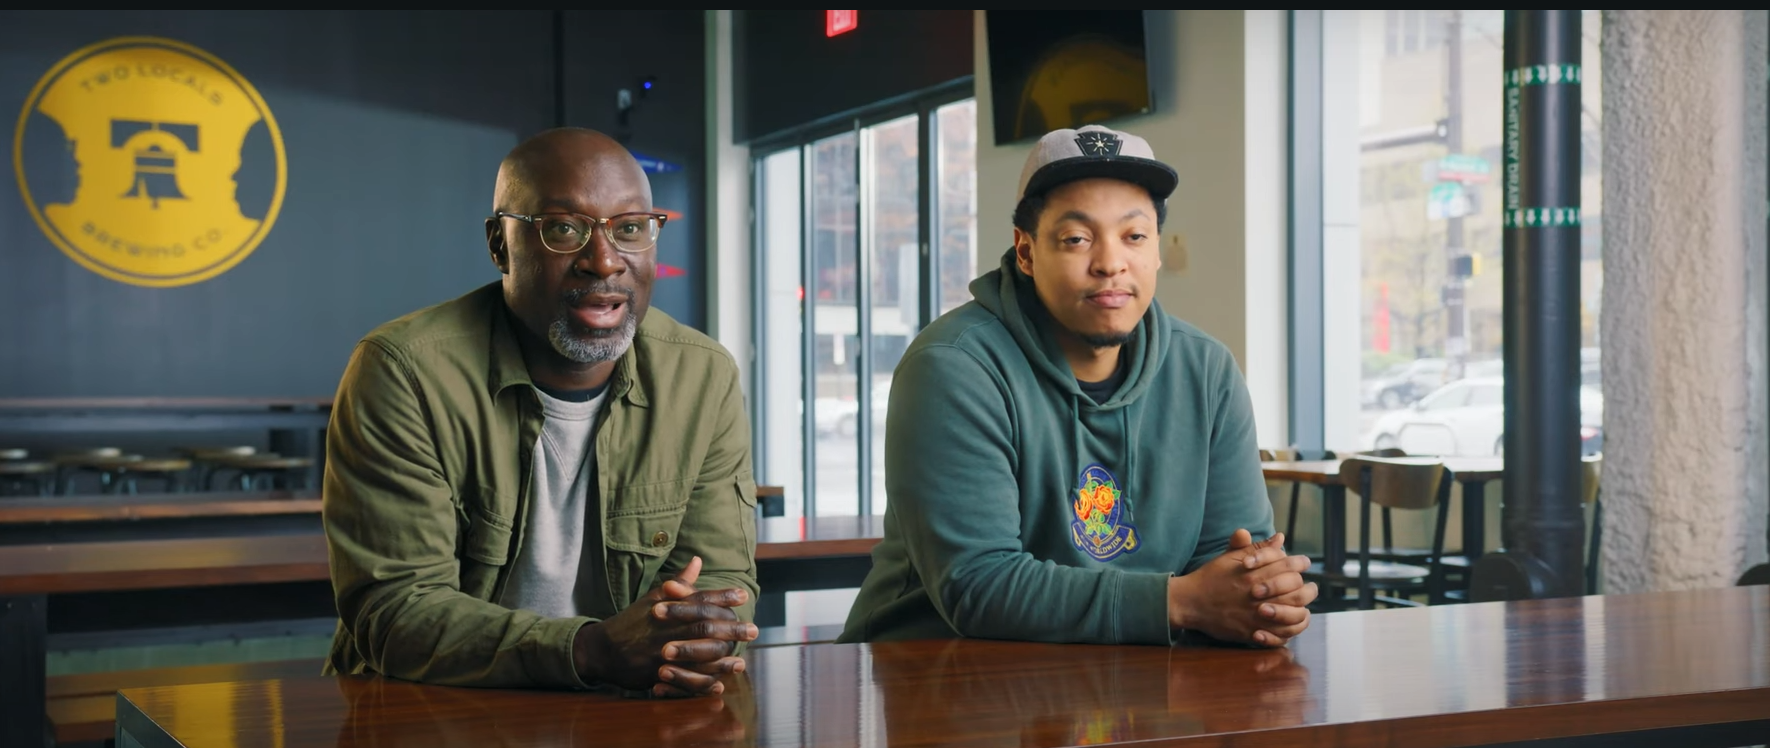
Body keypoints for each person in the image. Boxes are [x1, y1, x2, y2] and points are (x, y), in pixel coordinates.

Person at [840, 124, 1318, 647]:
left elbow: (1232, 563)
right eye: (1077, 239)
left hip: (1134, 683)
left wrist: (1262, 596)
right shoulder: (953, 366)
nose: (1111, 263)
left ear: (1156, 251)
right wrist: (1182, 602)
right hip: (939, 673)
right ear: (1025, 252)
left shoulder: (1205, 370)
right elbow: (978, 585)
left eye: (1134, 236)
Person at [323, 128, 760, 698]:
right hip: (432, 711)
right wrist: (592, 650)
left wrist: (697, 640)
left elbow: (723, 581)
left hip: (628, 711)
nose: (603, 261)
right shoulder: (403, 371)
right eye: (563, 230)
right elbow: (397, 611)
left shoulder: (702, 375)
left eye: (629, 228)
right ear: (499, 245)